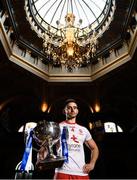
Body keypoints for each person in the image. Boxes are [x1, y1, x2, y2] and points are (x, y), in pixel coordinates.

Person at [37, 99, 99, 179]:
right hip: (63, 172)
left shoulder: (83, 129)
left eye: (75, 107)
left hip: (82, 173)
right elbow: (44, 148)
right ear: (64, 111)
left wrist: (92, 164)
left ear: (77, 111)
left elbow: (94, 148)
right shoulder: (57, 127)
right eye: (69, 107)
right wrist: (41, 159)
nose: (72, 109)